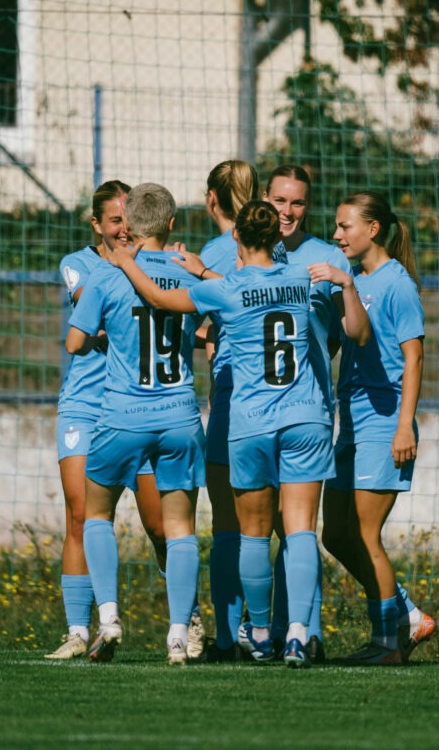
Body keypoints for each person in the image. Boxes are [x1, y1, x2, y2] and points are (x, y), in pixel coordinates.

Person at [110, 199, 369, 668]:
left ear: (236, 238)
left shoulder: (225, 289)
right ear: (276, 238)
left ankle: (262, 633)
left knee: (252, 535)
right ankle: (297, 635)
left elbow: (161, 300)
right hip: (306, 417)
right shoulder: (301, 279)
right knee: (301, 532)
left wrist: (129, 263)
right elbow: (339, 324)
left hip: (250, 423)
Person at [65, 183, 205, 665]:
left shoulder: (105, 275)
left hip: (124, 413)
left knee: (97, 513)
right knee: (180, 529)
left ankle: (108, 618)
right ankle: (177, 637)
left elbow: (74, 344)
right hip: (180, 415)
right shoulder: (190, 272)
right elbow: (211, 325)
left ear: (130, 224)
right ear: (171, 224)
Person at [309, 191, 437, 665]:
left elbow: (414, 356)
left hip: (385, 423)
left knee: (366, 535)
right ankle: (405, 615)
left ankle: (389, 644)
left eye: (346, 226)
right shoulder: (356, 280)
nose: (337, 234)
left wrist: (405, 426)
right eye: (337, 226)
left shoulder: (397, 284)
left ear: (374, 230)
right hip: (353, 422)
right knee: (335, 535)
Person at [45, 181, 171, 661]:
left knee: (161, 525)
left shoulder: (155, 267)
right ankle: (81, 630)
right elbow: (89, 318)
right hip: (84, 406)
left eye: (129, 219)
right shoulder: (80, 265)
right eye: (114, 220)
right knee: (80, 516)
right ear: (96, 224)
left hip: (139, 407)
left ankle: (189, 619)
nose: (123, 229)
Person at [260, 164, 354, 663]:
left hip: (305, 408)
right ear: (264, 199)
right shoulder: (246, 250)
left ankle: (303, 632)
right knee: (267, 524)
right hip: (252, 411)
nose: (288, 212)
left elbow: (342, 333)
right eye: (280, 201)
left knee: (297, 525)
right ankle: (270, 631)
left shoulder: (327, 258)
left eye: (297, 203)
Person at [193, 159, 260, 660]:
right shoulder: (272, 249)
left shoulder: (213, 252)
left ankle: (223, 635)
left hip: (231, 395)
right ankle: (285, 629)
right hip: (283, 401)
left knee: (225, 525)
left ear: (211, 200)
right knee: (282, 526)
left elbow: (189, 322)